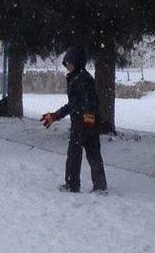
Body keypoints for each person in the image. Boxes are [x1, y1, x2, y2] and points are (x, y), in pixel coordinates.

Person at [40, 46, 108, 193]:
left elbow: (78, 104)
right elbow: (86, 102)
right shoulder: (81, 77)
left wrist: (56, 115)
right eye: (67, 63)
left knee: (75, 154)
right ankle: (100, 185)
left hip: (82, 124)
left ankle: (72, 185)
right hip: (89, 123)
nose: (68, 66)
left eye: (70, 62)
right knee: (93, 154)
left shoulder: (80, 79)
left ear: (77, 62)